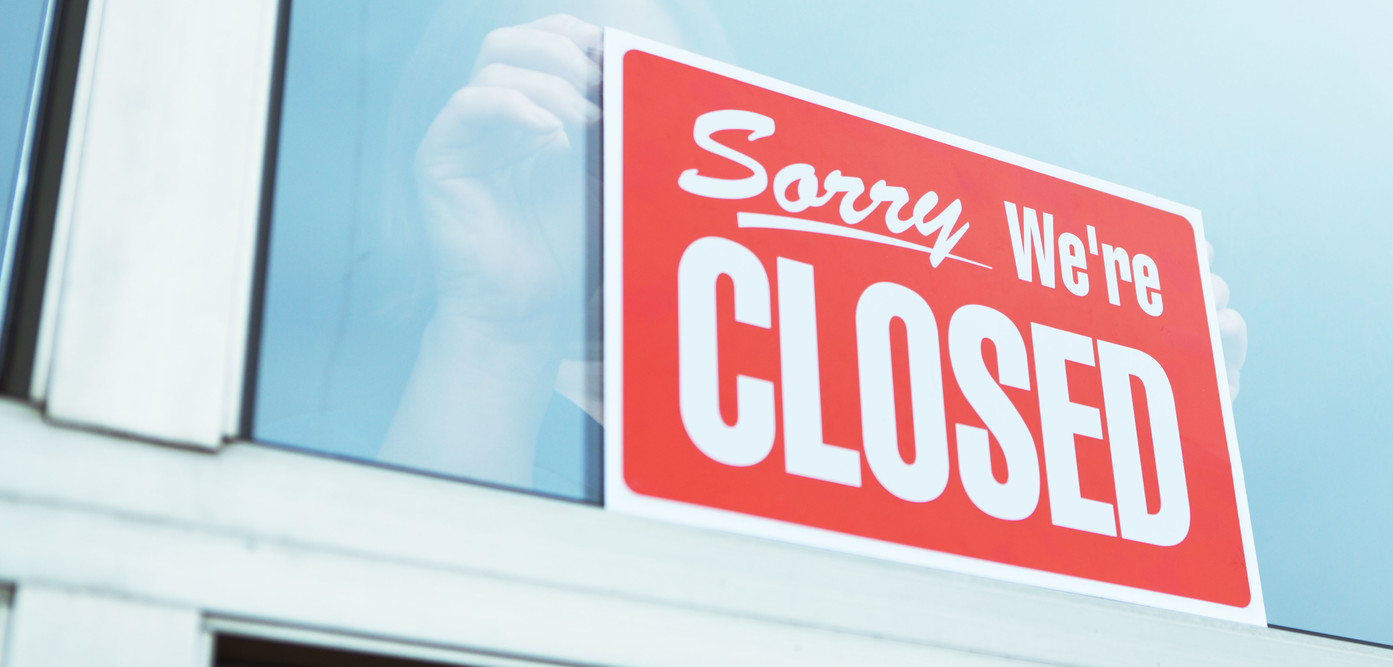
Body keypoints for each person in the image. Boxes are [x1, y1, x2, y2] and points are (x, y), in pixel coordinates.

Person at [371, 1, 1249, 494]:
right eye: (590, 97)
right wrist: (493, 332)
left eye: (676, 112)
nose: (624, 149)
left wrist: (1152, 443)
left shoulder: (882, 446)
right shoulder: (326, 441)